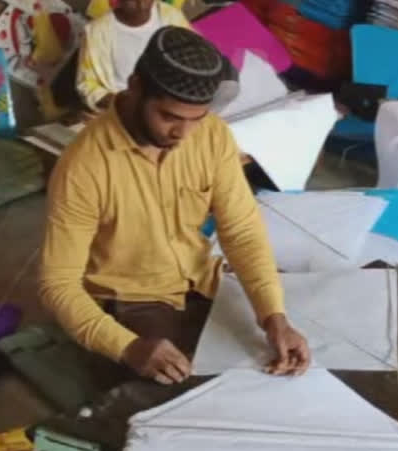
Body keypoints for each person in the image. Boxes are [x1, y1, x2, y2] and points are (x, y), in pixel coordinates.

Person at [41, 27, 311, 385]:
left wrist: (274, 317)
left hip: (201, 278)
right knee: (177, 392)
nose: (183, 135)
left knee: (289, 331)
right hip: (134, 296)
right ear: (135, 87)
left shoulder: (211, 135)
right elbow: (58, 284)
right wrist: (128, 347)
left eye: (195, 119)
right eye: (169, 116)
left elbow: (242, 229)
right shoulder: (84, 167)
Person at [76, 0, 190, 111]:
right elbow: (86, 85)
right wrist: (120, 103)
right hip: (123, 113)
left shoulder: (172, 17)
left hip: (174, 104)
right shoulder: (96, 33)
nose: (141, 3)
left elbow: (191, 58)